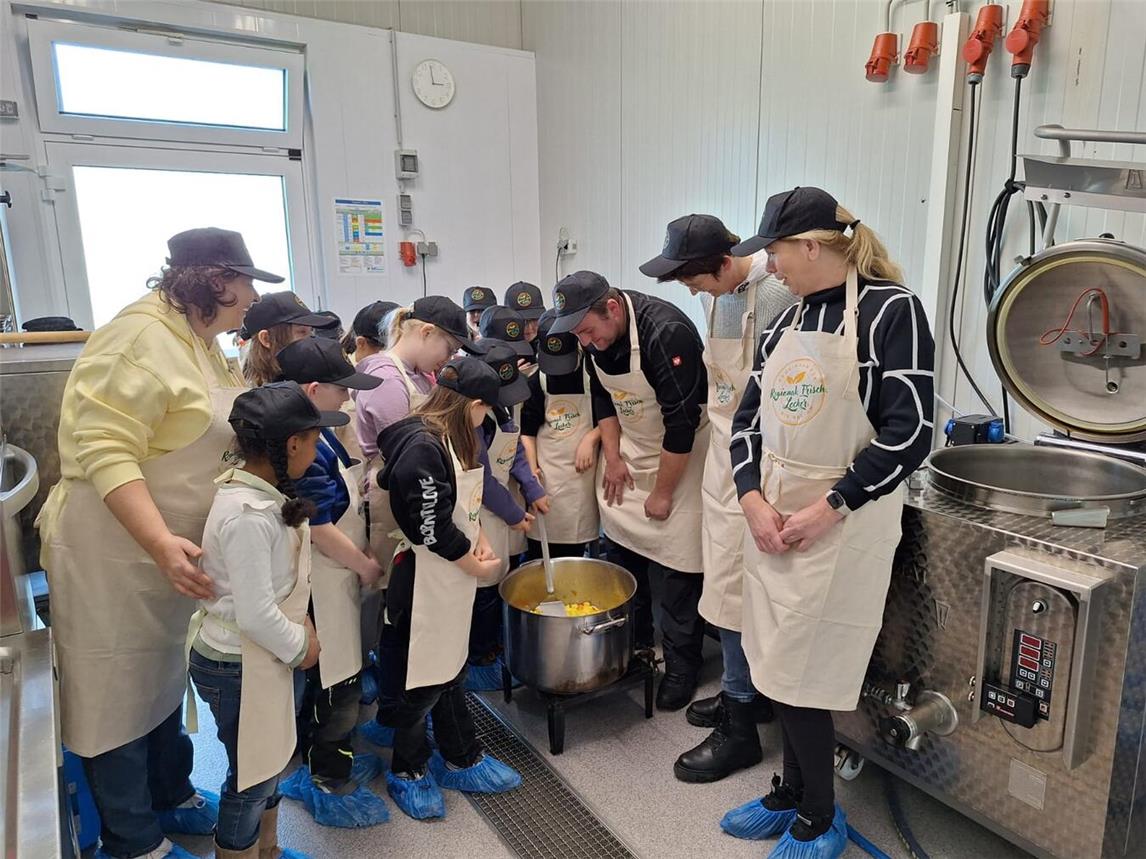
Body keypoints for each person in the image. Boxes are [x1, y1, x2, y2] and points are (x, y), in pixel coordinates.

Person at [36, 228, 279, 859]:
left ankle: (171, 794)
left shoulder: (198, 340)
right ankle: (134, 839)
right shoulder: (137, 338)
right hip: (110, 554)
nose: (252, 297)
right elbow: (104, 449)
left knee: (159, 678)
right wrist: (160, 543)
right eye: (247, 283)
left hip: (163, 556)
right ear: (214, 280)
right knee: (112, 694)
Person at [722, 187, 934, 858]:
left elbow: (912, 431)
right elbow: (747, 420)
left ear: (812, 245)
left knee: (802, 672)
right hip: (775, 517)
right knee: (777, 665)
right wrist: (752, 497)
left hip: (843, 522)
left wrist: (830, 505)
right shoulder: (788, 321)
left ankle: (820, 814)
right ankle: (791, 790)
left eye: (777, 252)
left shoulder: (890, 311)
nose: (772, 266)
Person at [640, 213, 795, 783]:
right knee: (727, 586)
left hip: (760, 467)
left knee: (739, 592)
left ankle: (740, 724)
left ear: (723, 263)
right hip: (724, 457)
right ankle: (742, 696)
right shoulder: (721, 295)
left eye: (692, 279)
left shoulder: (777, 295)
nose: (689, 290)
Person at [189, 382, 346, 858]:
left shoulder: (268, 493)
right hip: (238, 663)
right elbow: (256, 615)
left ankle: (269, 848)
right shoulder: (247, 516)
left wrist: (305, 631)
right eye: (316, 440)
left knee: (272, 758)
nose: (318, 450)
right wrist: (304, 647)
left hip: (265, 655)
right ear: (292, 444)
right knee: (253, 774)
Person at [548, 271, 709, 711]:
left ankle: (681, 666)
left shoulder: (665, 333)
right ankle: (632, 650)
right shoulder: (596, 342)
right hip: (632, 451)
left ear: (613, 309)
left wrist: (662, 492)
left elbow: (682, 424)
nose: (585, 342)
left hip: (681, 458)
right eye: (577, 333)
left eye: (588, 330)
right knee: (619, 554)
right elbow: (604, 398)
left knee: (678, 568)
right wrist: (613, 457)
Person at [376, 358, 523, 819]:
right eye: (487, 413)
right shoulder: (422, 446)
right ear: (474, 405)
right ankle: (408, 769)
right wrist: (474, 565)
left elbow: (463, 504)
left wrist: (477, 539)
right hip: (424, 581)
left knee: (450, 670)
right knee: (421, 682)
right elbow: (431, 527)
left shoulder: (451, 436)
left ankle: (460, 755)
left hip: (449, 575)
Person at [271, 338, 390, 828]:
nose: (347, 401)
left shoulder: (315, 433)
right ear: (315, 389)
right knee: (336, 686)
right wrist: (365, 566)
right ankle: (326, 779)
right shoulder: (299, 447)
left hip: (338, 576)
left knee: (336, 680)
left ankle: (327, 759)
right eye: (342, 392)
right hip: (324, 578)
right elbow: (316, 526)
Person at [466, 341, 548, 691]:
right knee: (483, 588)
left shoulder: (500, 412)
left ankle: (499, 643)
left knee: (504, 577)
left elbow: (512, 453)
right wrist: (515, 514)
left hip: (503, 505)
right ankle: (480, 658)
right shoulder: (469, 423)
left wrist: (533, 489)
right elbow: (481, 478)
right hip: (480, 510)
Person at [520, 309, 600, 560]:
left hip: (581, 481)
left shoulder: (593, 372)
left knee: (574, 553)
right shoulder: (538, 380)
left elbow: (612, 418)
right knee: (540, 552)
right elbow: (528, 431)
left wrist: (591, 437)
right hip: (548, 475)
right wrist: (531, 471)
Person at [239, 291, 335, 386]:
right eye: (302, 332)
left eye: (311, 331)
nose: (312, 340)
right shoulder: (252, 397)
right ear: (266, 339)